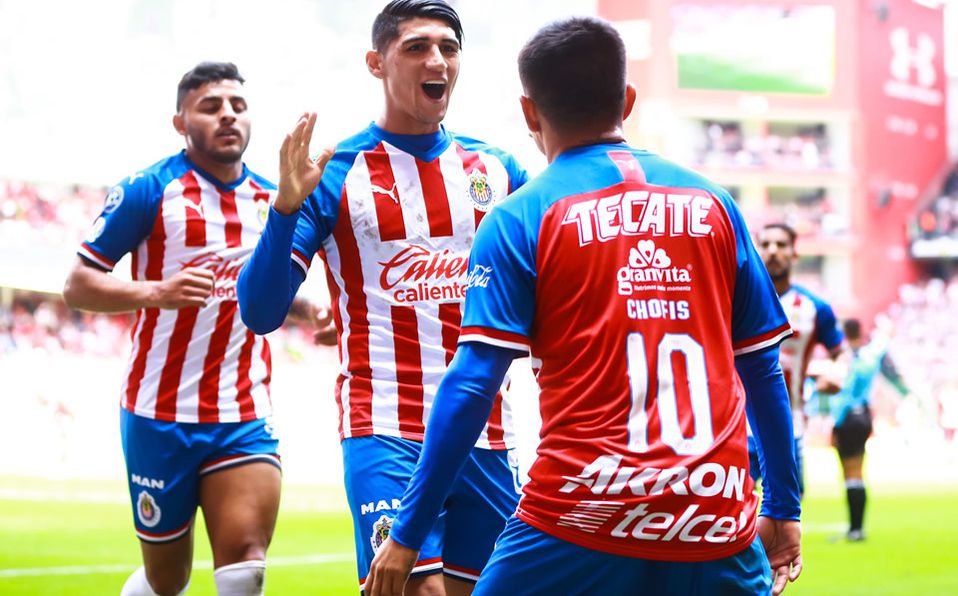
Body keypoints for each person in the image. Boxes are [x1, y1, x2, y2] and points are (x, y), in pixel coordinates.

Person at [366, 16, 802, 596]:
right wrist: (784, 505)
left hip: (579, 516)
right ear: (627, 100)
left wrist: (408, 533)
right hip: (715, 522)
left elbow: (472, 384)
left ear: (529, 113)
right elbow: (763, 369)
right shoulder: (715, 205)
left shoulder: (522, 216)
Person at [236, 1, 528, 593]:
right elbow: (260, 312)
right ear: (376, 63)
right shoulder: (334, 173)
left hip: (487, 431)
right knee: (417, 589)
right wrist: (285, 209)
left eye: (448, 48)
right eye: (417, 47)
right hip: (386, 425)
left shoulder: (498, 171)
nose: (437, 60)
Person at [63, 61, 291, 596]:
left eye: (237, 105)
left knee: (245, 568)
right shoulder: (148, 189)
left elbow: (260, 286)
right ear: (180, 122)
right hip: (158, 412)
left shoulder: (272, 200)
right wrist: (157, 292)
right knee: (167, 580)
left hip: (242, 410)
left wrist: (311, 312)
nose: (228, 115)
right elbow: (77, 285)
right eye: (211, 106)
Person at [754, 222, 844, 495]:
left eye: (781, 245)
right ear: (756, 251)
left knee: (787, 509)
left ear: (794, 254)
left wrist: (837, 373)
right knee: (732, 509)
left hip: (789, 424)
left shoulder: (815, 307)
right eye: (765, 244)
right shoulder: (733, 300)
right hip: (737, 425)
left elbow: (841, 353)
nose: (773, 251)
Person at [829, 318, 909, 541]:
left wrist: (835, 425)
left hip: (848, 418)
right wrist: (885, 328)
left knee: (850, 474)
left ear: (845, 333)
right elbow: (884, 340)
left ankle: (855, 529)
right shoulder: (870, 355)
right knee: (858, 472)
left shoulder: (846, 359)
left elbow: (844, 395)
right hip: (864, 416)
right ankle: (857, 528)